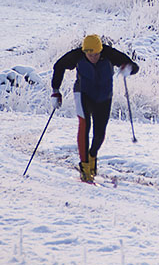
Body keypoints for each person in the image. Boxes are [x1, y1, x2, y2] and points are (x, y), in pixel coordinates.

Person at [51, 34, 139, 183]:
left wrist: (127, 69)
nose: (93, 57)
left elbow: (133, 66)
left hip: (104, 97)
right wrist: (55, 90)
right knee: (84, 126)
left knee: (100, 132)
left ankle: (92, 156)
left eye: (96, 54)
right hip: (83, 94)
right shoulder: (77, 55)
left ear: (101, 50)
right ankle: (85, 167)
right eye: (90, 55)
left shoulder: (109, 53)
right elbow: (59, 66)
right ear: (85, 52)